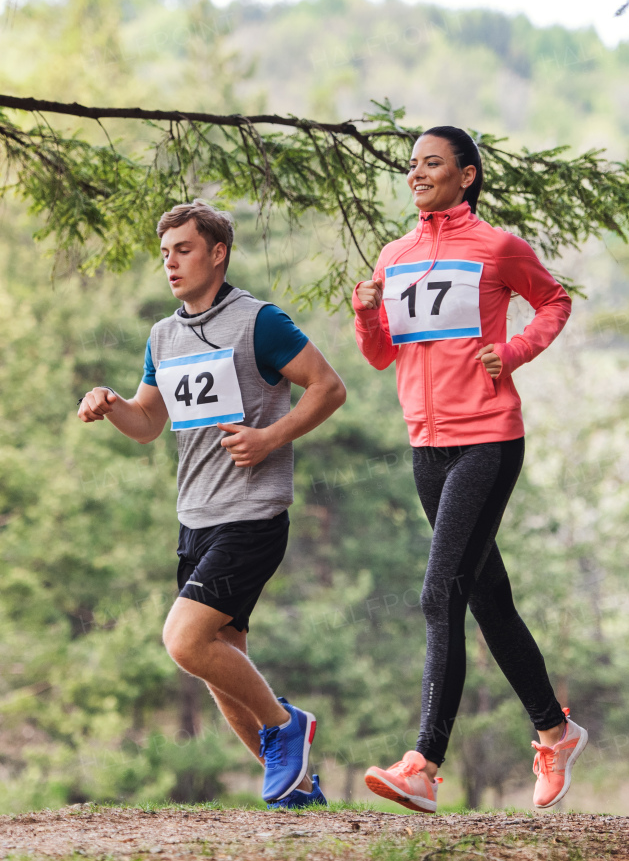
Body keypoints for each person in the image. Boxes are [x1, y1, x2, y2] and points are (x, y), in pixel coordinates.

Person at [78, 201, 346, 809]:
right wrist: (110, 403)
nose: (170, 262)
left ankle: (287, 726)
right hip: (194, 519)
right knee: (221, 664)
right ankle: (300, 793)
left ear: (217, 253)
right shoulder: (163, 336)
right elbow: (148, 423)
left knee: (184, 641)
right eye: (165, 252)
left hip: (252, 515)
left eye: (184, 249)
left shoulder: (259, 322)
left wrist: (269, 437)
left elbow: (330, 387)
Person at [353, 126, 586, 812]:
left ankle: (423, 762)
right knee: (487, 597)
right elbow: (381, 355)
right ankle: (555, 728)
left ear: (467, 174)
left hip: (488, 437)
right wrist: (367, 316)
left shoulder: (497, 247)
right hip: (427, 445)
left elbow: (555, 301)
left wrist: (512, 353)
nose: (416, 173)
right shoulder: (394, 254)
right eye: (412, 164)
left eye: (431, 163)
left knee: (440, 591)